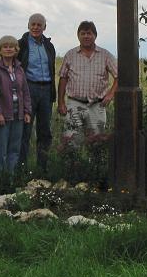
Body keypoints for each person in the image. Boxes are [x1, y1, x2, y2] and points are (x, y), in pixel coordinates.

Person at [57, 21, 118, 150]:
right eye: (83, 33)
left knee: (97, 141)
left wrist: (111, 94)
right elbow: (63, 78)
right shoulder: (70, 55)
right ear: (78, 36)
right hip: (74, 103)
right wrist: (61, 102)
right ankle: (73, 166)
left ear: (95, 35)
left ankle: (94, 168)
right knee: (71, 140)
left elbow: (119, 76)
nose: (86, 36)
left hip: (97, 105)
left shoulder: (105, 55)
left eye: (89, 33)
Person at [17, 13, 56, 172]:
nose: (36, 27)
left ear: (44, 27)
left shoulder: (49, 45)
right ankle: (22, 169)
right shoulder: (21, 44)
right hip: (28, 89)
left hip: (46, 90)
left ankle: (42, 169)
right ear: (28, 26)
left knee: (45, 131)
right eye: (33, 24)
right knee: (25, 130)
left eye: (39, 25)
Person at [0, 36, 32, 174]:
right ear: (0, 50)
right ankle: (0, 183)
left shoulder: (19, 69)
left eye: (11, 46)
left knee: (14, 150)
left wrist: (27, 111)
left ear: (16, 49)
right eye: (5, 46)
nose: (8, 49)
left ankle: (11, 181)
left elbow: (25, 91)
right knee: (0, 151)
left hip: (18, 115)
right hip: (3, 116)